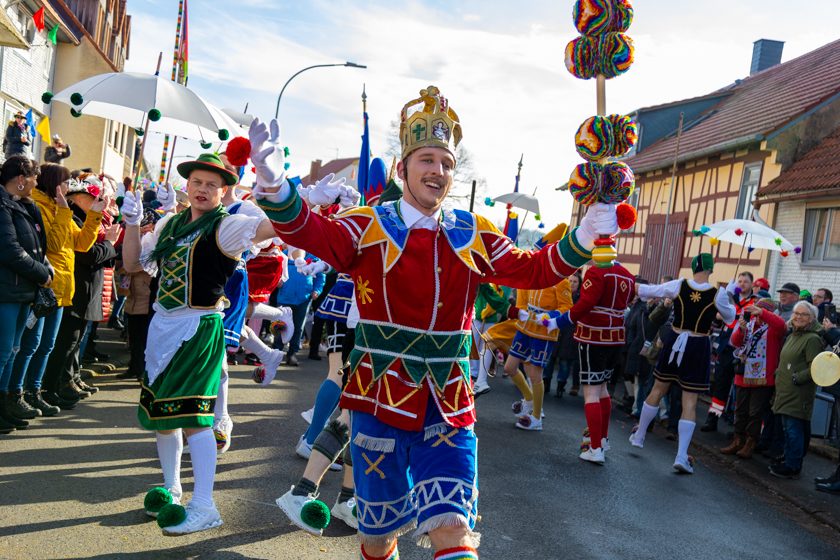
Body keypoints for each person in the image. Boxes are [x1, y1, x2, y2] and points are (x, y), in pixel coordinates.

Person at [250, 85, 618, 559]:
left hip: (448, 404)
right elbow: (309, 231)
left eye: (446, 163)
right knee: (379, 536)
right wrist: (278, 189)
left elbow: (535, 269)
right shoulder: (367, 225)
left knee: (453, 528)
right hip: (378, 397)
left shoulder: (473, 232)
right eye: (427, 159)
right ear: (403, 169)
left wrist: (585, 231)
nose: (438, 171)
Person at [120, 152, 285, 535]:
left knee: (195, 420)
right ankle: (172, 487)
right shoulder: (170, 224)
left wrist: (278, 194)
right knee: (164, 418)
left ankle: (205, 504)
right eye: (197, 182)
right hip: (161, 327)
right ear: (187, 186)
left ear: (223, 190)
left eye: (212, 184)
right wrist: (130, 224)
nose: (203, 189)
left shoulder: (227, 227)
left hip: (198, 328)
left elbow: (271, 229)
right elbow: (132, 264)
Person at [629, 253, 736, 474]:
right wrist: (729, 297)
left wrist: (629, 283)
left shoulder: (679, 284)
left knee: (658, 389)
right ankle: (680, 455)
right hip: (698, 345)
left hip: (675, 340)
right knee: (690, 400)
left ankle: (639, 436)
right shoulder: (719, 294)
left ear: (694, 267)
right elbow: (729, 318)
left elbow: (649, 291)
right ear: (711, 270)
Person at [11, 163, 103, 416]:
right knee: (30, 346)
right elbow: (53, 242)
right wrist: (63, 212)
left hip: (62, 289)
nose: (67, 188)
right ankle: (18, 392)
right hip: (45, 286)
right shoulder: (40, 205)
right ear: (52, 183)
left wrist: (95, 215)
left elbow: (82, 243)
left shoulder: (59, 207)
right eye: (64, 182)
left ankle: (35, 391)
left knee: (47, 345)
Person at [42, 176, 119, 403]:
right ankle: (54, 386)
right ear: (76, 198)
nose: (97, 200)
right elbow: (89, 254)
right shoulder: (73, 217)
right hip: (75, 287)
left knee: (74, 342)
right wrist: (110, 244)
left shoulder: (86, 217)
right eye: (91, 196)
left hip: (85, 288)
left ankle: (67, 381)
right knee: (65, 343)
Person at [559, 259, 634, 464]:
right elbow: (630, 298)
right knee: (602, 389)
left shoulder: (596, 272)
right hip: (616, 337)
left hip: (593, 336)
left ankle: (595, 448)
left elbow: (586, 302)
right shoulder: (626, 272)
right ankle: (602, 438)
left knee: (591, 392)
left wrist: (562, 320)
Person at [0, 156, 51, 433]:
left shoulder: (19, 205)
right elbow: (9, 249)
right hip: (7, 291)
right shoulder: (2, 205)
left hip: (20, 291)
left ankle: (4, 406)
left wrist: (29, 205)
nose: (35, 183)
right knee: (2, 353)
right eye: (32, 177)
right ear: (21, 179)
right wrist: (42, 273)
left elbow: (37, 245)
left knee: (10, 352)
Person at [719, 299, 785, 459]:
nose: (755, 314)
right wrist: (741, 329)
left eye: (759, 311)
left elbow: (782, 325)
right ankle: (737, 440)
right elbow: (735, 342)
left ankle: (750, 442)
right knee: (740, 411)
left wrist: (762, 312)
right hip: (743, 374)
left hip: (762, 378)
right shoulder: (749, 325)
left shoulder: (773, 328)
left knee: (755, 413)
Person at [768, 301, 824, 479]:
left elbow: (816, 367)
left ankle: (793, 465)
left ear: (812, 318)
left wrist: (796, 378)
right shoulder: (793, 334)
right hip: (785, 390)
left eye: (803, 314)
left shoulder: (812, 339)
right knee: (787, 429)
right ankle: (788, 459)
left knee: (793, 430)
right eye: (796, 313)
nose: (798, 317)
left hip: (799, 392)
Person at [701, 271, 757, 432]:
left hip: (742, 350)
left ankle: (737, 427)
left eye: (745, 281)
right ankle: (712, 419)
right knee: (720, 385)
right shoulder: (731, 300)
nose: (742, 284)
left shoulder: (755, 302)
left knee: (741, 391)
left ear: (751, 284)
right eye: (739, 281)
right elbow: (716, 318)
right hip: (726, 348)